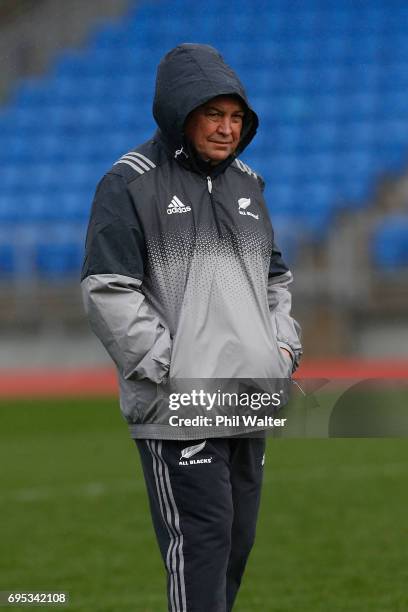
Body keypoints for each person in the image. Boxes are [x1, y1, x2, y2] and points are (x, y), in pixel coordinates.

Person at [81, 43, 302, 612]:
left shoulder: (249, 183)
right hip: (181, 402)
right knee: (201, 546)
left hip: (250, 394)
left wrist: (281, 349)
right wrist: (172, 369)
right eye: (213, 115)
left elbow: (276, 281)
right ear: (181, 112)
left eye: (236, 118)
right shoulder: (129, 182)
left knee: (234, 544)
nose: (227, 129)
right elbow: (108, 290)